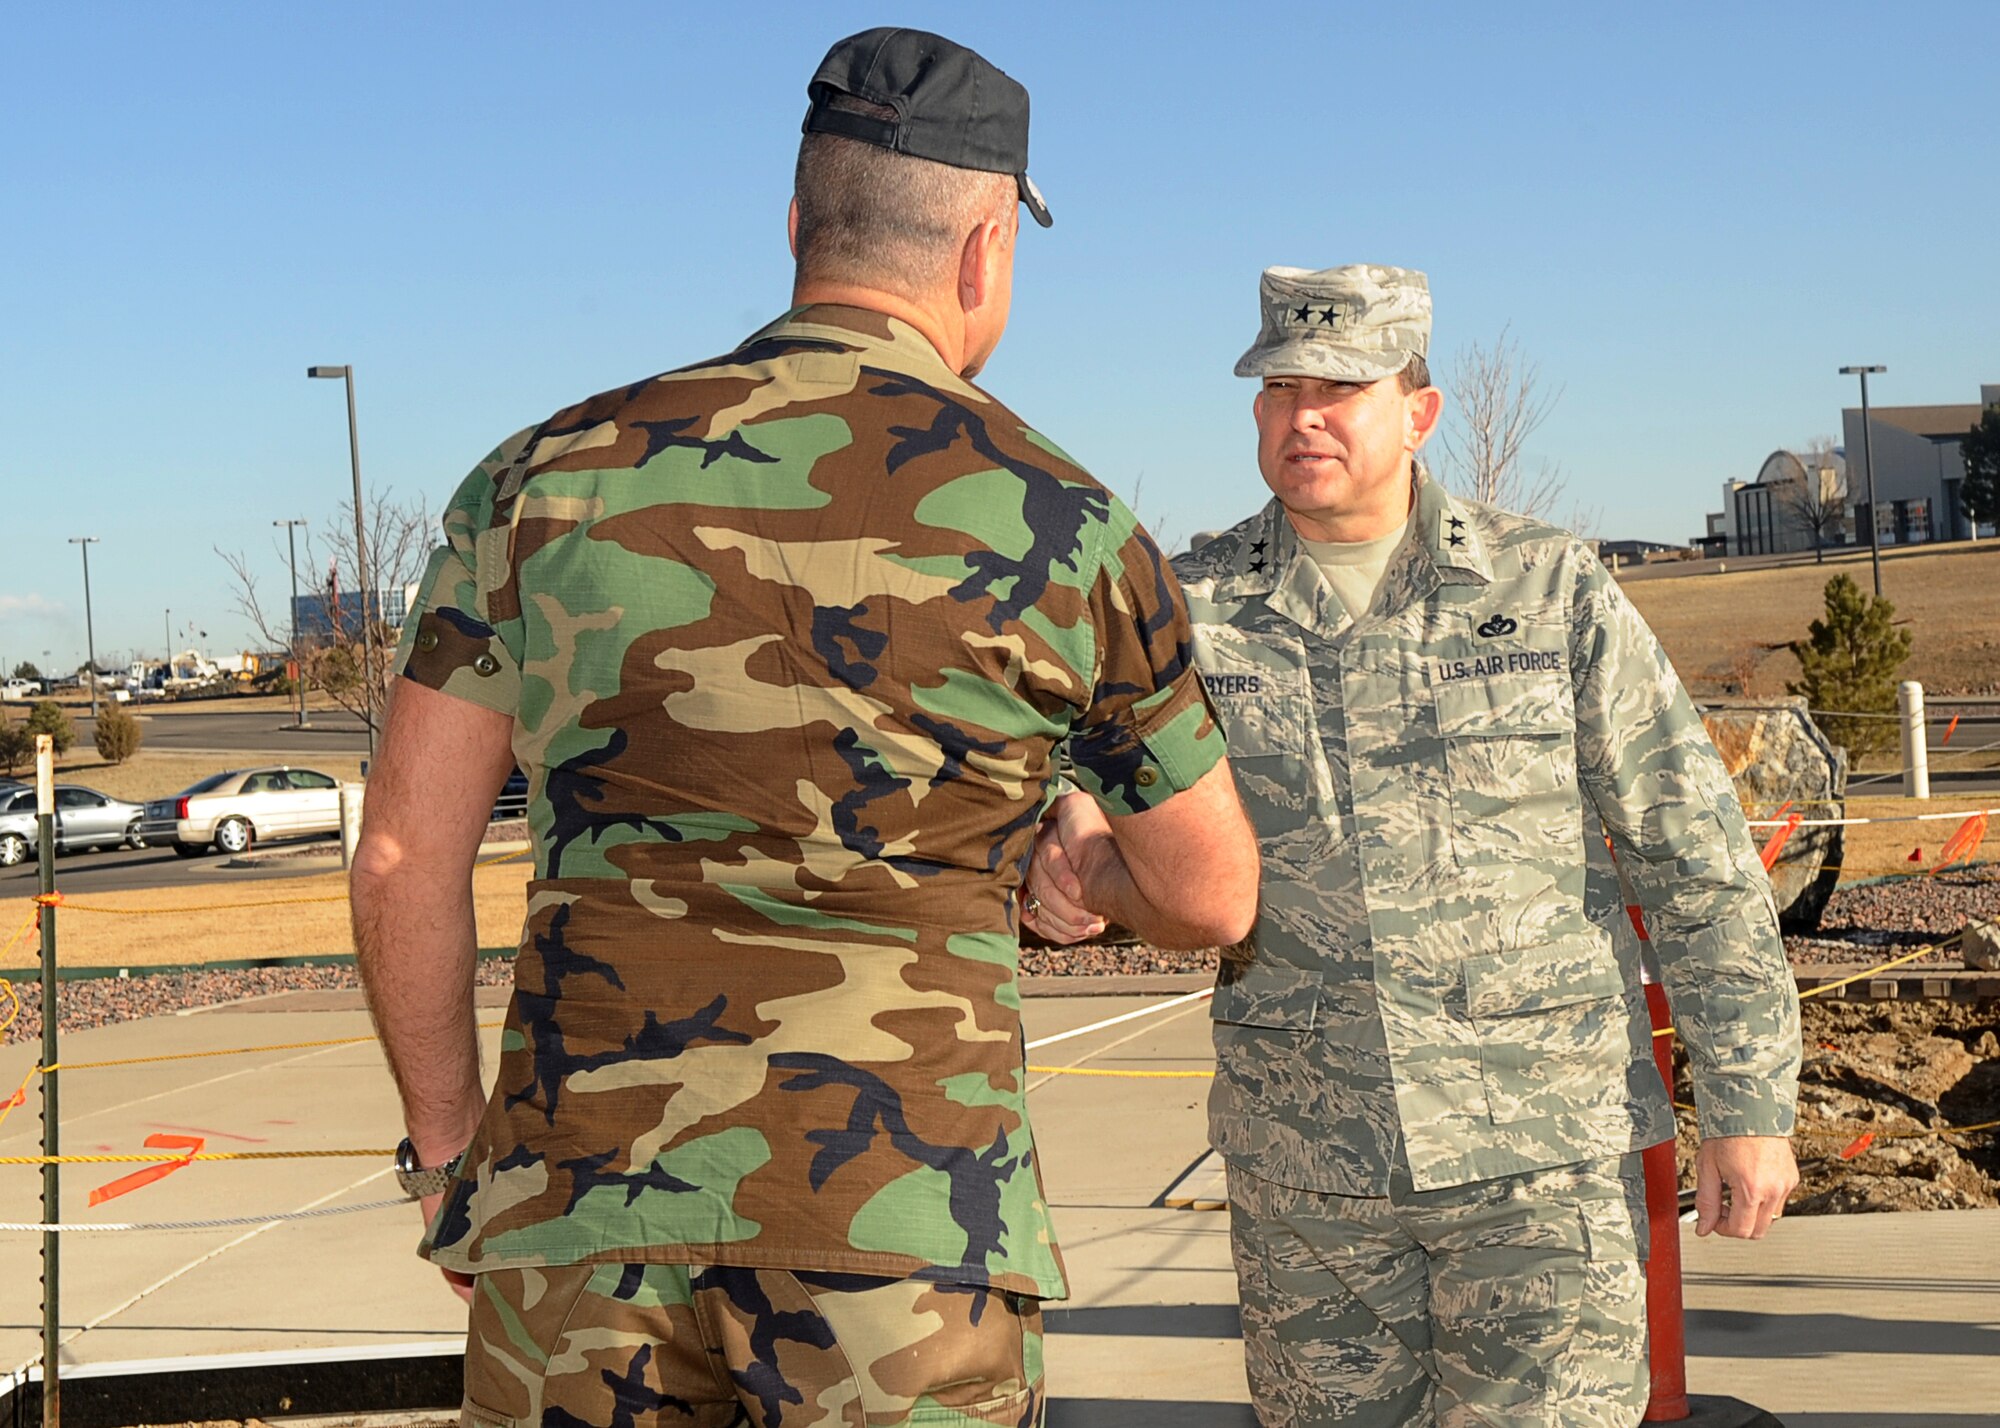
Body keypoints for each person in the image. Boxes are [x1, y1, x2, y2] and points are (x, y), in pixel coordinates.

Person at [348, 28, 1259, 1428]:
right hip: (903, 1237)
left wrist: (452, 1154)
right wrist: (1092, 882)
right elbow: (1213, 893)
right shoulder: (1066, 530)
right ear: (985, 251)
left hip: (578, 1216)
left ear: (796, 224)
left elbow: (406, 854)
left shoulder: (540, 482)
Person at [1027, 264, 1801, 1427]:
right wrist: (1069, 828)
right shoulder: (1189, 611)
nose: (1305, 417)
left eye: (1341, 387)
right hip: (1308, 1181)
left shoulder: (1546, 588)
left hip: (1541, 1161)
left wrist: (1747, 1099)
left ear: (1417, 412)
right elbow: (1081, 785)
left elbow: (1687, 845)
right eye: (1279, 388)